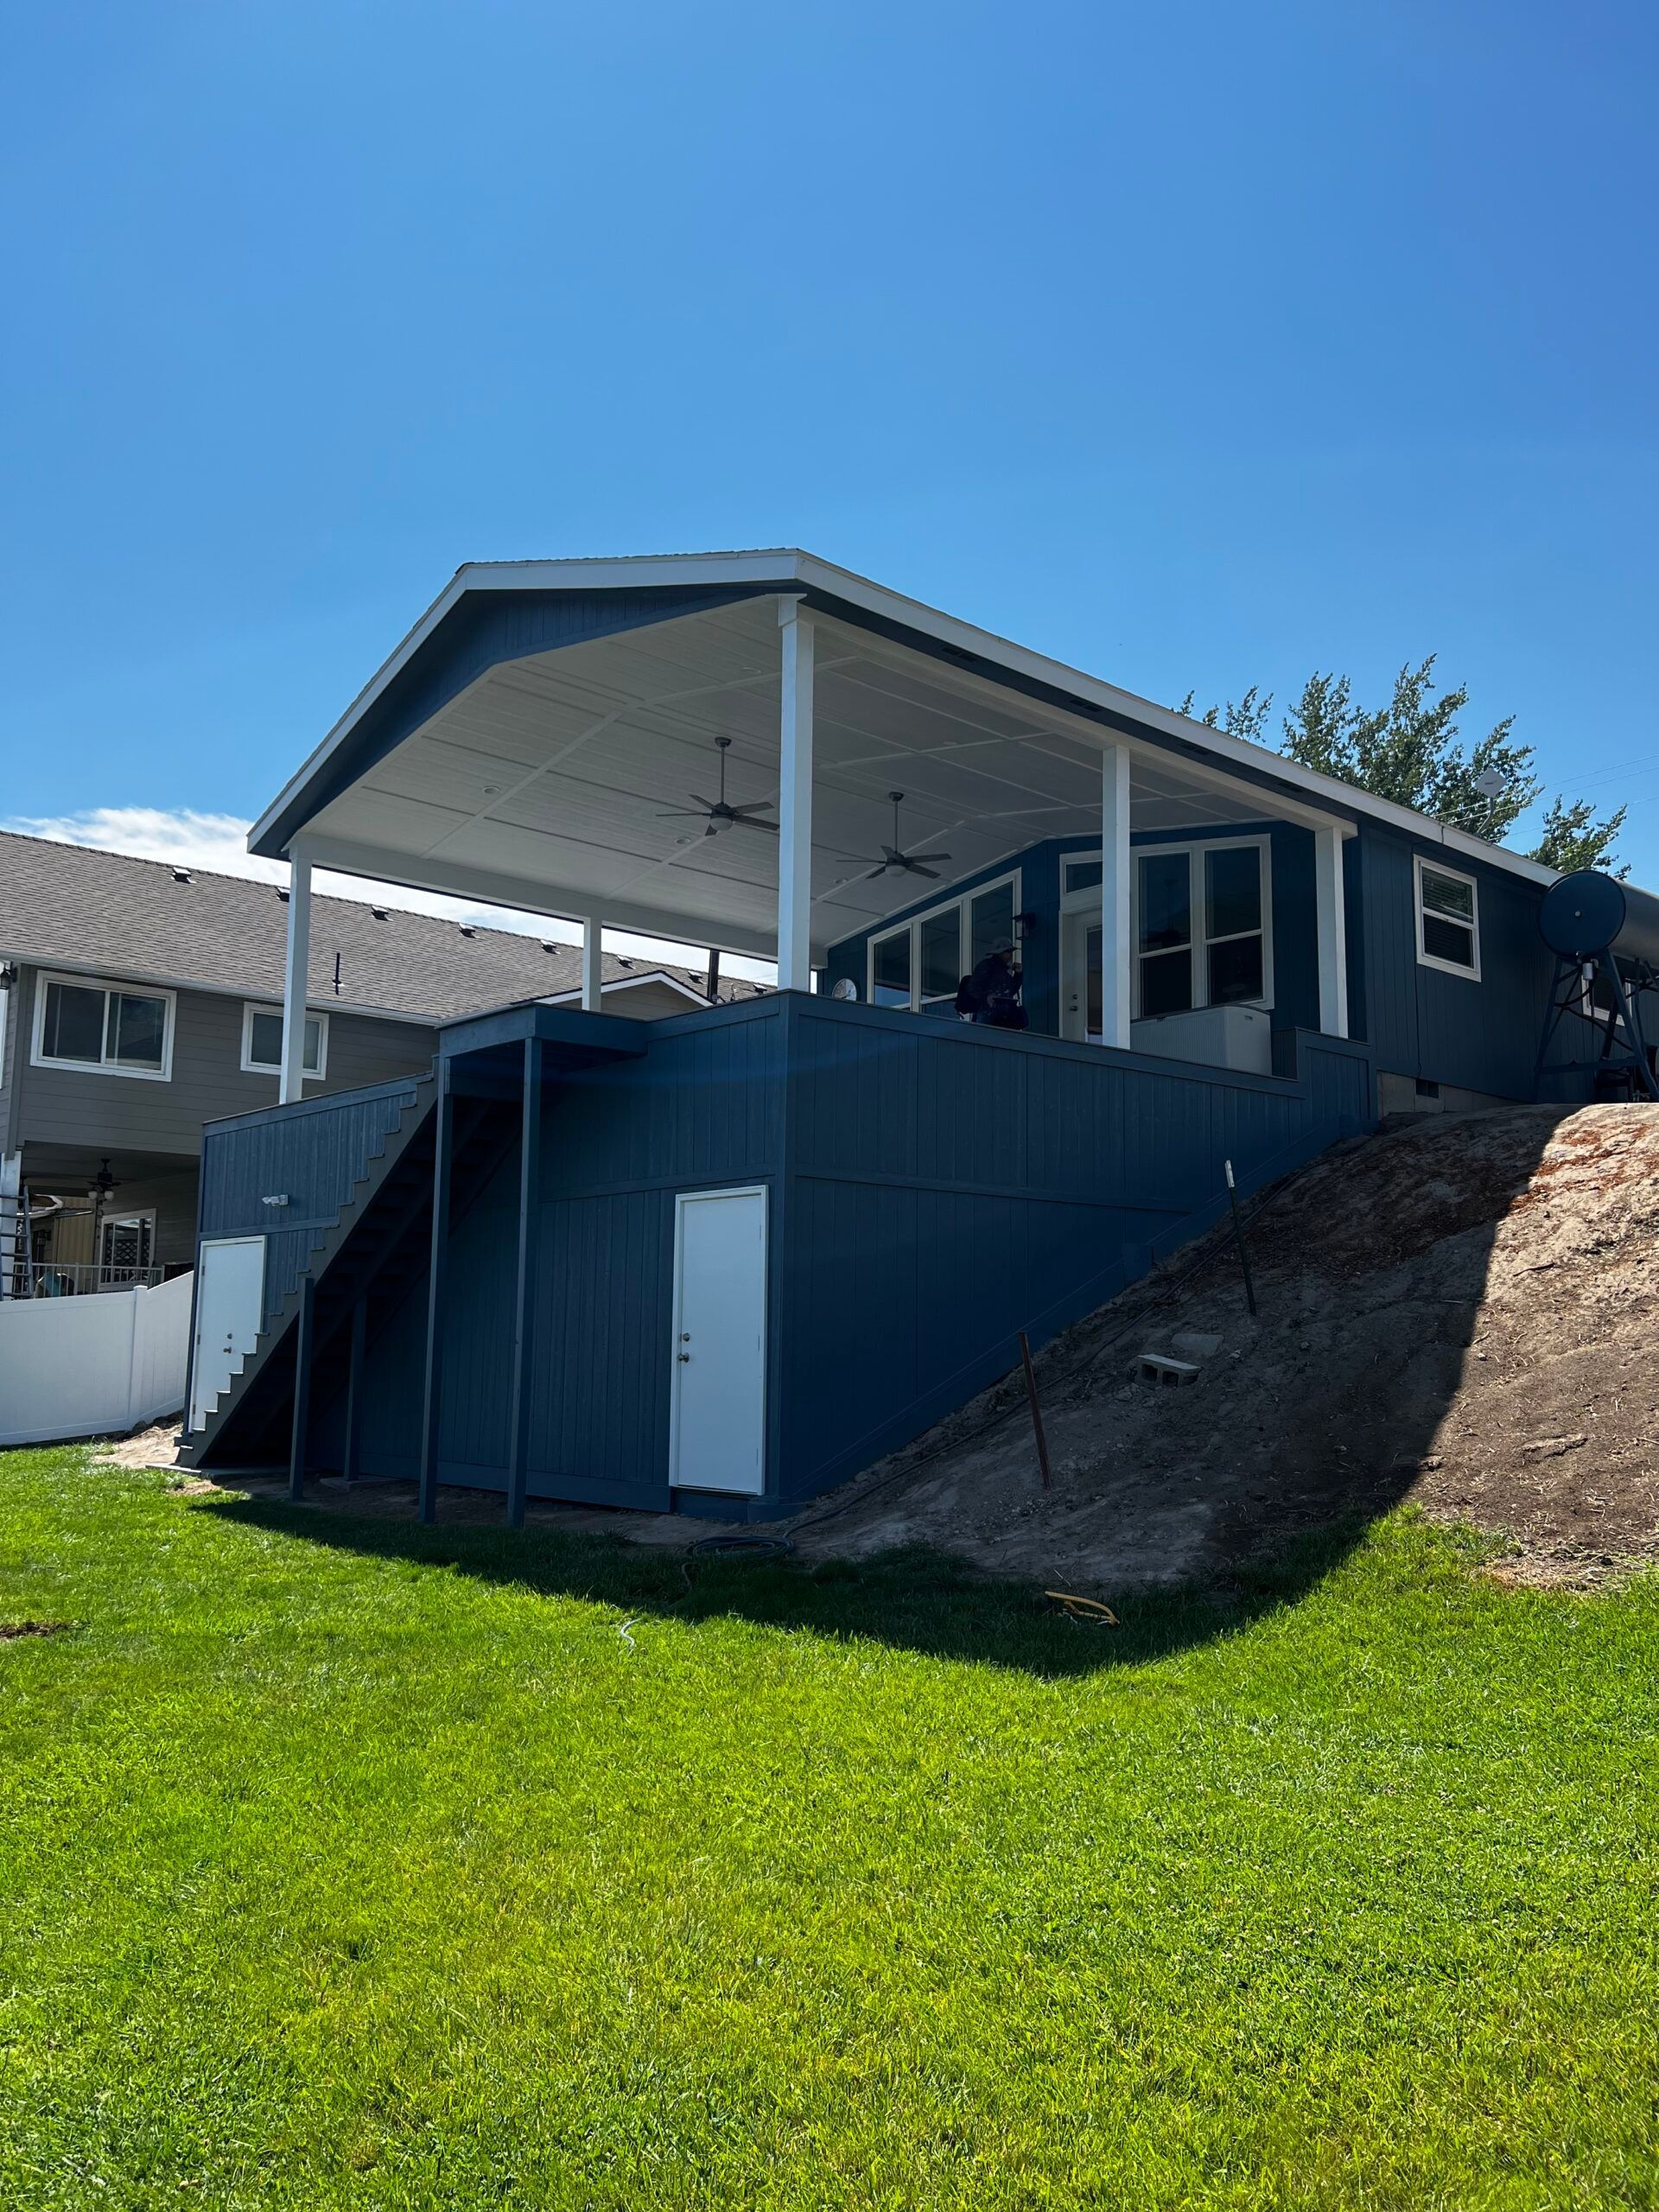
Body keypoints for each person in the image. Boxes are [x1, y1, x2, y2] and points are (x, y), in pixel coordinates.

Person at [955, 938, 1027, 1029]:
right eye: (1008, 951)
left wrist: (1018, 974)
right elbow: (972, 987)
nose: (1011, 955)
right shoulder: (986, 966)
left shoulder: (1005, 973)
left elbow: (1011, 991)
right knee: (984, 1035)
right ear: (1000, 953)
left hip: (1004, 1017)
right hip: (986, 1013)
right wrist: (986, 997)